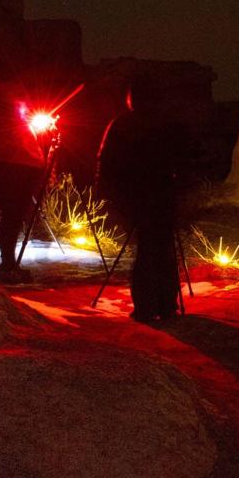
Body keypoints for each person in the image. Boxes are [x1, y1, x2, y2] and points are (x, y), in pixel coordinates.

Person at [96, 74, 185, 322]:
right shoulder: (166, 124)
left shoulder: (123, 124)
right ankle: (166, 304)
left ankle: (149, 307)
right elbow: (185, 159)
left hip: (137, 196)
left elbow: (107, 164)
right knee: (161, 248)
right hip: (161, 193)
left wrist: (112, 194)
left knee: (148, 248)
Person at [0, 80, 47, 284]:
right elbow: (5, 146)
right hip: (14, 169)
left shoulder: (15, 117)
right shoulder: (5, 119)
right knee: (12, 216)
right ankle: (7, 264)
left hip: (19, 168)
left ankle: (8, 262)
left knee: (13, 216)